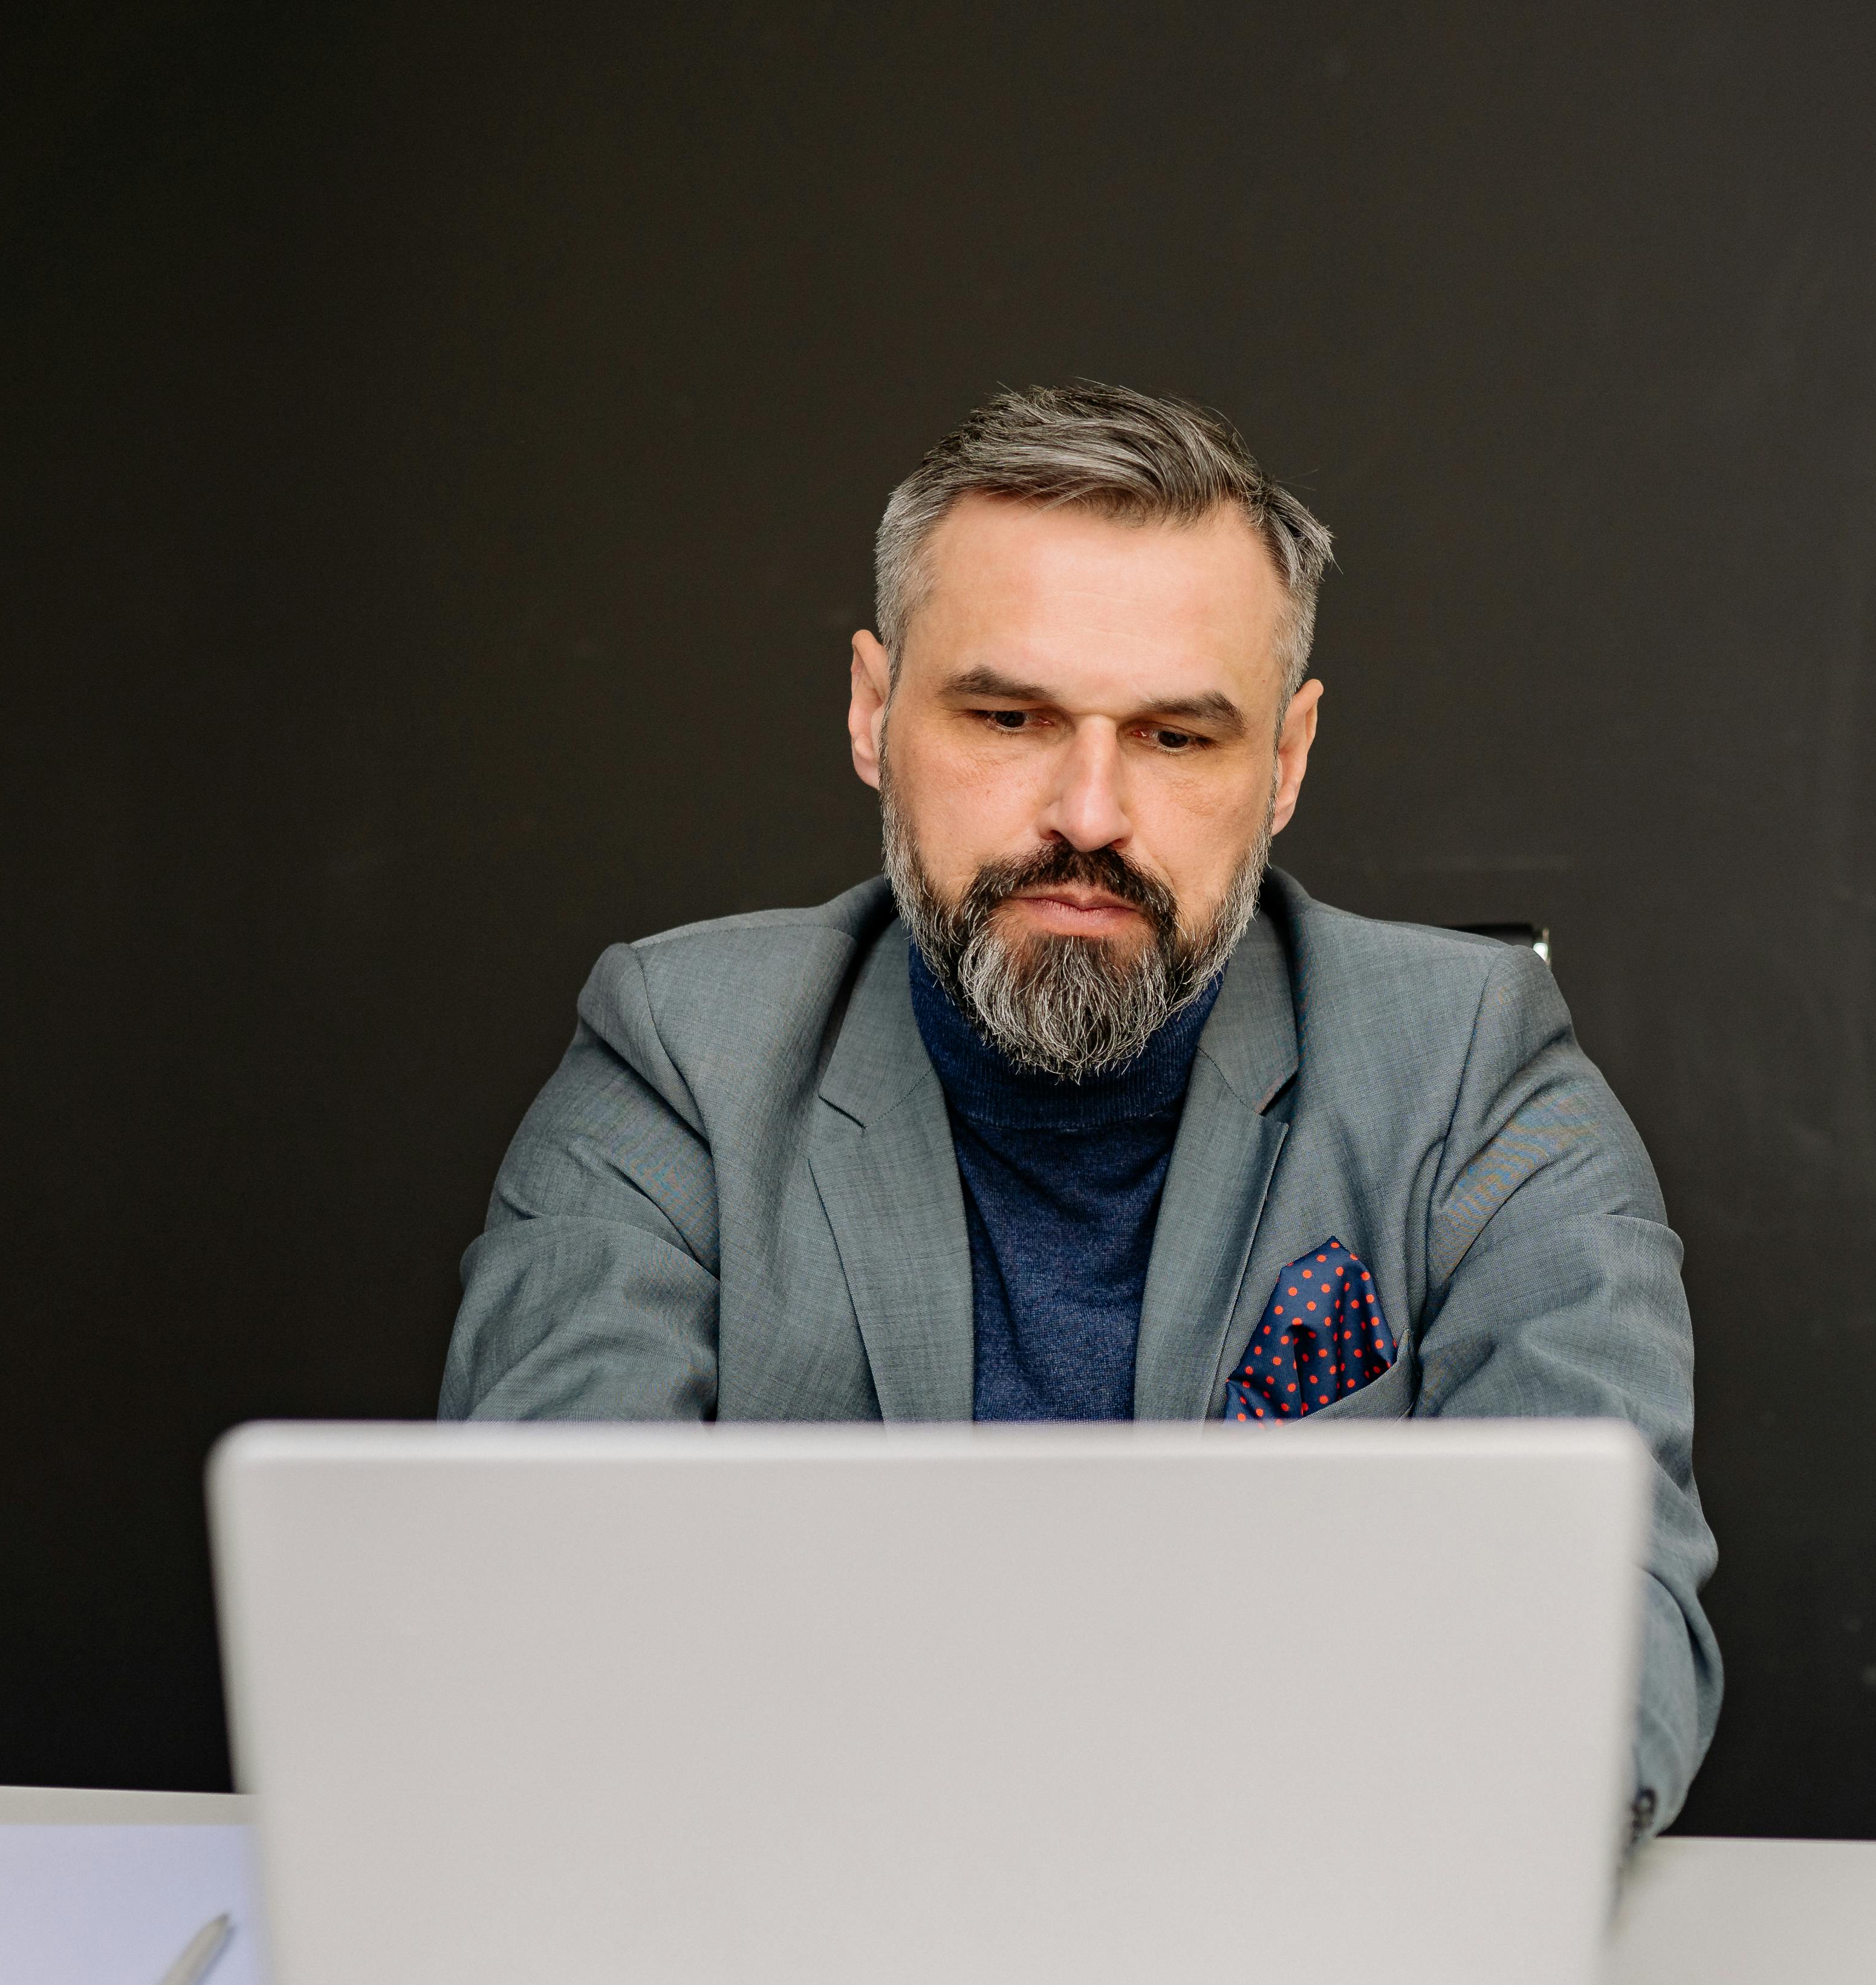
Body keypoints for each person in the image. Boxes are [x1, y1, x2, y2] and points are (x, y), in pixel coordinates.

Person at [438, 382, 1722, 1833]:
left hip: (1285, 1955)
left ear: (1286, 762)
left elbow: (1606, 1642)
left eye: (1177, 739)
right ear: (873, 713)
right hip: (802, 1950)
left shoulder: (1471, 1066)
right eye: (1007, 715)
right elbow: (543, 1601)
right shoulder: (682, 1056)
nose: (1090, 815)